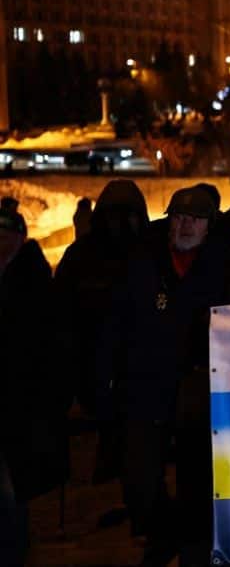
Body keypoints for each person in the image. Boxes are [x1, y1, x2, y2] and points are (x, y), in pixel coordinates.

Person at [103, 187, 228, 566]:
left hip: (198, 385)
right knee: (140, 476)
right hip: (146, 382)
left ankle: (192, 545)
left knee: (196, 476)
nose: (186, 225)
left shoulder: (223, 262)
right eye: (179, 217)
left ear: (209, 225)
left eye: (195, 219)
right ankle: (162, 531)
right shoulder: (143, 258)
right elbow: (117, 319)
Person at [54, 180, 150, 487]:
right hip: (92, 359)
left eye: (129, 215)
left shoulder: (150, 253)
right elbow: (62, 309)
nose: (121, 224)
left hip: (138, 363)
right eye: (115, 215)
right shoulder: (81, 256)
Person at [1, 208, 62, 566]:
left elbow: (47, 341)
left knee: (11, 485)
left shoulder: (32, 279)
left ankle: (13, 552)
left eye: (6, 236)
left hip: (19, 397)